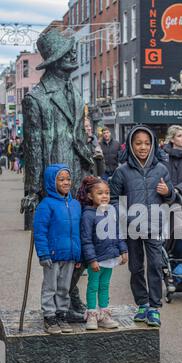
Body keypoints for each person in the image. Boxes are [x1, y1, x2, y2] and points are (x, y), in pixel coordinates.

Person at [21, 28, 94, 322]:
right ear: (55, 59)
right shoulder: (37, 98)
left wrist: (91, 156)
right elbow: (34, 146)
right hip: (55, 180)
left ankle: (70, 293)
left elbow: (77, 135)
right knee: (60, 247)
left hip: (80, 174)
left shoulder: (75, 91)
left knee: (85, 243)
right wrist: (31, 189)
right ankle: (61, 301)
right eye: (68, 52)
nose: (74, 55)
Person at [110, 125, 176, 327]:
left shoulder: (161, 169)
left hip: (154, 224)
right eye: (138, 143)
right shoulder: (122, 172)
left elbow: (171, 196)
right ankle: (142, 304)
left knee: (155, 264)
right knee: (136, 267)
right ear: (130, 145)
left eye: (147, 143)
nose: (143, 147)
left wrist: (167, 192)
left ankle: (155, 307)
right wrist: (124, 217)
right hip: (132, 227)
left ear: (153, 145)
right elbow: (113, 199)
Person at [33, 164, 81, 335]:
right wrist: (43, 253)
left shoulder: (75, 204)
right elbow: (40, 231)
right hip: (52, 256)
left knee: (64, 287)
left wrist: (78, 254)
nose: (66, 182)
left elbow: (77, 232)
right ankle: (49, 316)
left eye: (68, 179)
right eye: (61, 179)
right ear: (52, 182)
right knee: (50, 287)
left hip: (70, 255)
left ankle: (61, 314)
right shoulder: (46, 205)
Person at [78, 176, 128, 330]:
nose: (105, 196)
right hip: (97, 259)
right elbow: (86, 240)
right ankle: (92, 315)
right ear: (90, 196)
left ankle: (104, 314)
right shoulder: (88, 215)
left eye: (107, 193)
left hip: (110, 256)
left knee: (105, 285)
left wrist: (123, 250)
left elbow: (117, 233)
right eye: (100, 193)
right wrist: (92, 259)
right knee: (93, 286)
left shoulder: (111, 212)